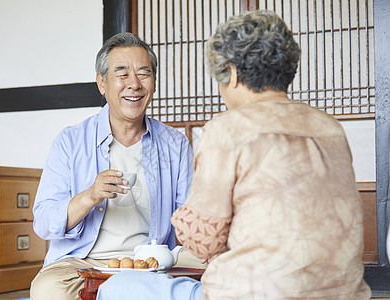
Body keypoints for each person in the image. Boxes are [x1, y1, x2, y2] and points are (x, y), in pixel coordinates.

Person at [96, 10, 372, 300]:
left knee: (118, 287)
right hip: (344, 293)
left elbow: (203, 242)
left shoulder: (229, 128)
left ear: (234, 73)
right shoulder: (330, 128)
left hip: (254, 293)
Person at [30, 32, 197, 300]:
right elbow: (44, 223)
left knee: (224, 269)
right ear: (102, 83)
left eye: (144, 73)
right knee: (47, 289)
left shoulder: (174, 144)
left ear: (153, 83)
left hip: (153, 260)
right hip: (83, 263)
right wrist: (90, 195)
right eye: (122, 73)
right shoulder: (70, 141)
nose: (134, 84)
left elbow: (189, 216)